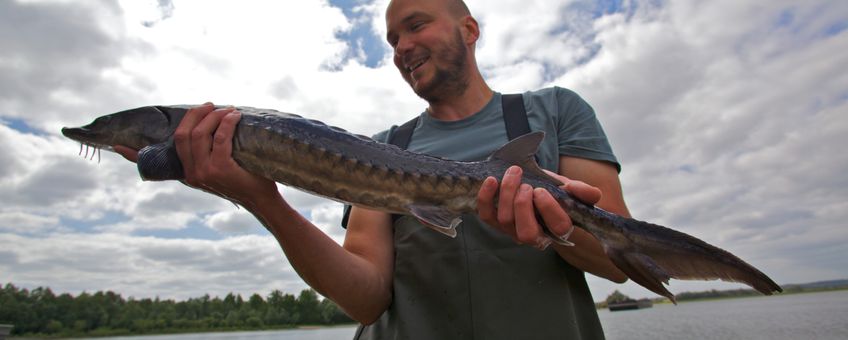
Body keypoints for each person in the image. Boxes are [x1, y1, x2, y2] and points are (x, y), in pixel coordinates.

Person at [117, 0, 630, 338]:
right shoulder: (383, 148)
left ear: (469, 29)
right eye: (391, 40)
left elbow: (617, 260)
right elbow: (366, 298)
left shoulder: (554, 111)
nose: (402, 46)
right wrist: (262, 199)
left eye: (415, 24)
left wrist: (552, 226)